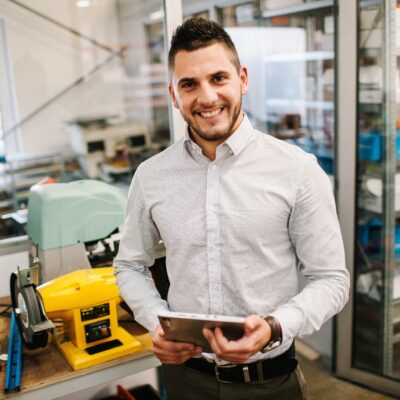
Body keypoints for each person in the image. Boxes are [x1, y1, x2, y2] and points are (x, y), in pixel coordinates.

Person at [114, 17, 349, 400]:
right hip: (185, 380)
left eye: (218, 78)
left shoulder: (297, 170)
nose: (206, 97)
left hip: (271, 383)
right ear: (174, 95)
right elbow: (129, 264)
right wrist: (155, 321)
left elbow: (332, 280)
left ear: (242, 78)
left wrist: (274, 326)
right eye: (189, 84)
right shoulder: (151, 176)